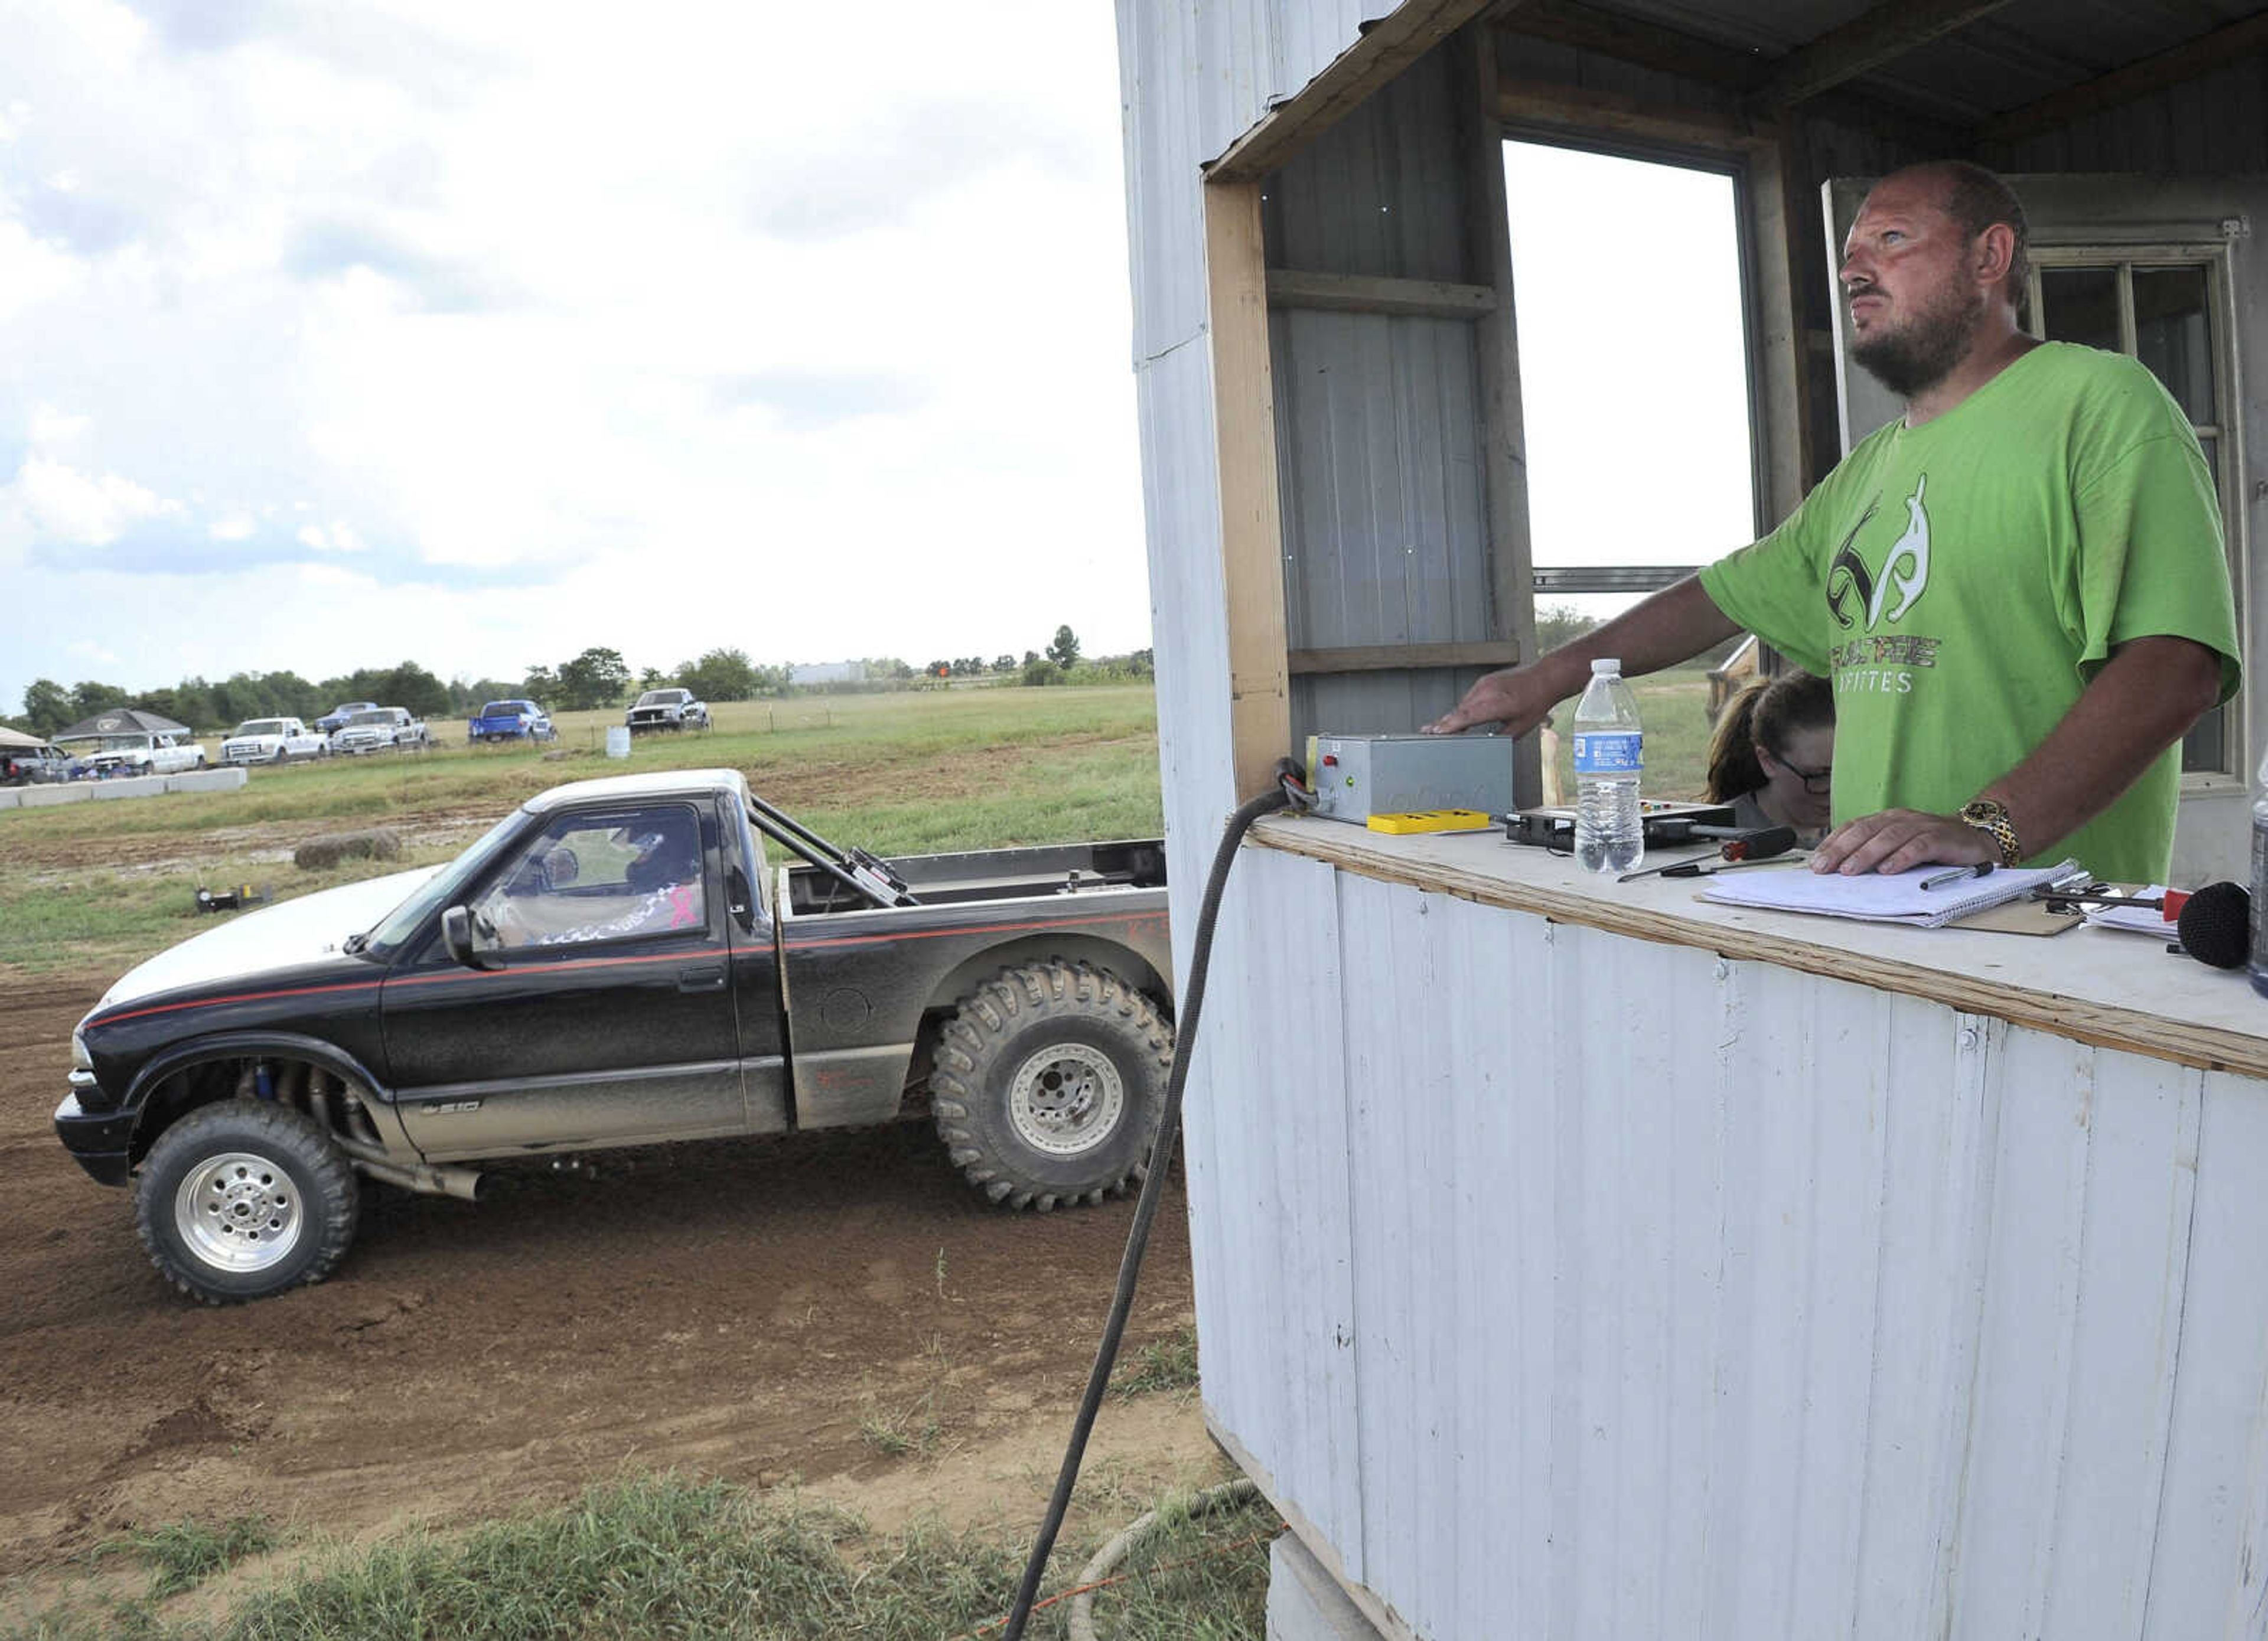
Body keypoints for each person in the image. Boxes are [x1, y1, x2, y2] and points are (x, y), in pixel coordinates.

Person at [1428, 161, 2239, 885]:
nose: (1855, 270)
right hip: (1877, 906)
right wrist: (1550, 678)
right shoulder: (1869, 471)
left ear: (1988, 258)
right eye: (1851, 256)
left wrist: (1991, 826)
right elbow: (1725, 595)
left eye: (1891, 238)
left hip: (2044, 922)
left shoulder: (2098, 404)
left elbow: (2175, 664)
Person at [1704, 671, 1834, 844]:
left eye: (1847, 773)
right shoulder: (1717, 837)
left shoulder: (1863, 825)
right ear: (1768, 761)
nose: (1834, 791)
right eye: (1819, 776)